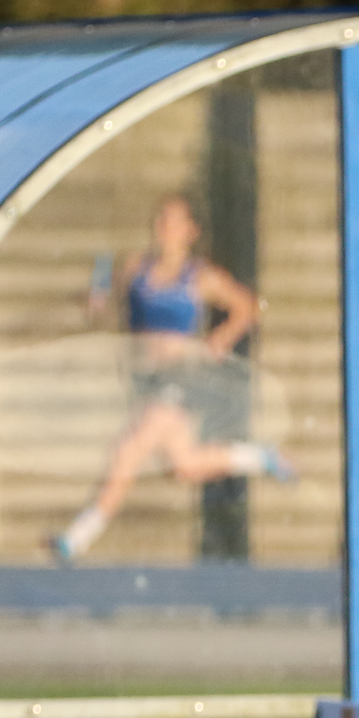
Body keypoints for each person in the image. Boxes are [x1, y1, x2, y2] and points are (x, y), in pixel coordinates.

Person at [51, 194, 294, 563]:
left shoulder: (199, 276)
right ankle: (257, 457)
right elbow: (99, 301)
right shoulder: (136, 267)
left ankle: (77, 536)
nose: (164, 229)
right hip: (144, 381)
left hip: (180, 379)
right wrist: (94, 298)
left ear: (190, 231)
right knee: (183, 465)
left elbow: (248, 307)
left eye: (173, 222)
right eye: (160, 220)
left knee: (129, 450)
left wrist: (218, 341)